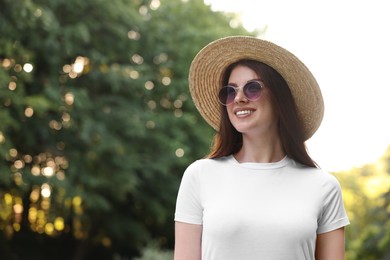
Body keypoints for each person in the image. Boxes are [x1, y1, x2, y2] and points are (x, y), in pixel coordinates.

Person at [174, 36, 350, 260]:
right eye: (230, 91)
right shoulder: (199, 176)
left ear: (280, 99)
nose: (238, 98)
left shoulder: (323, 186)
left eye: (253, 88)